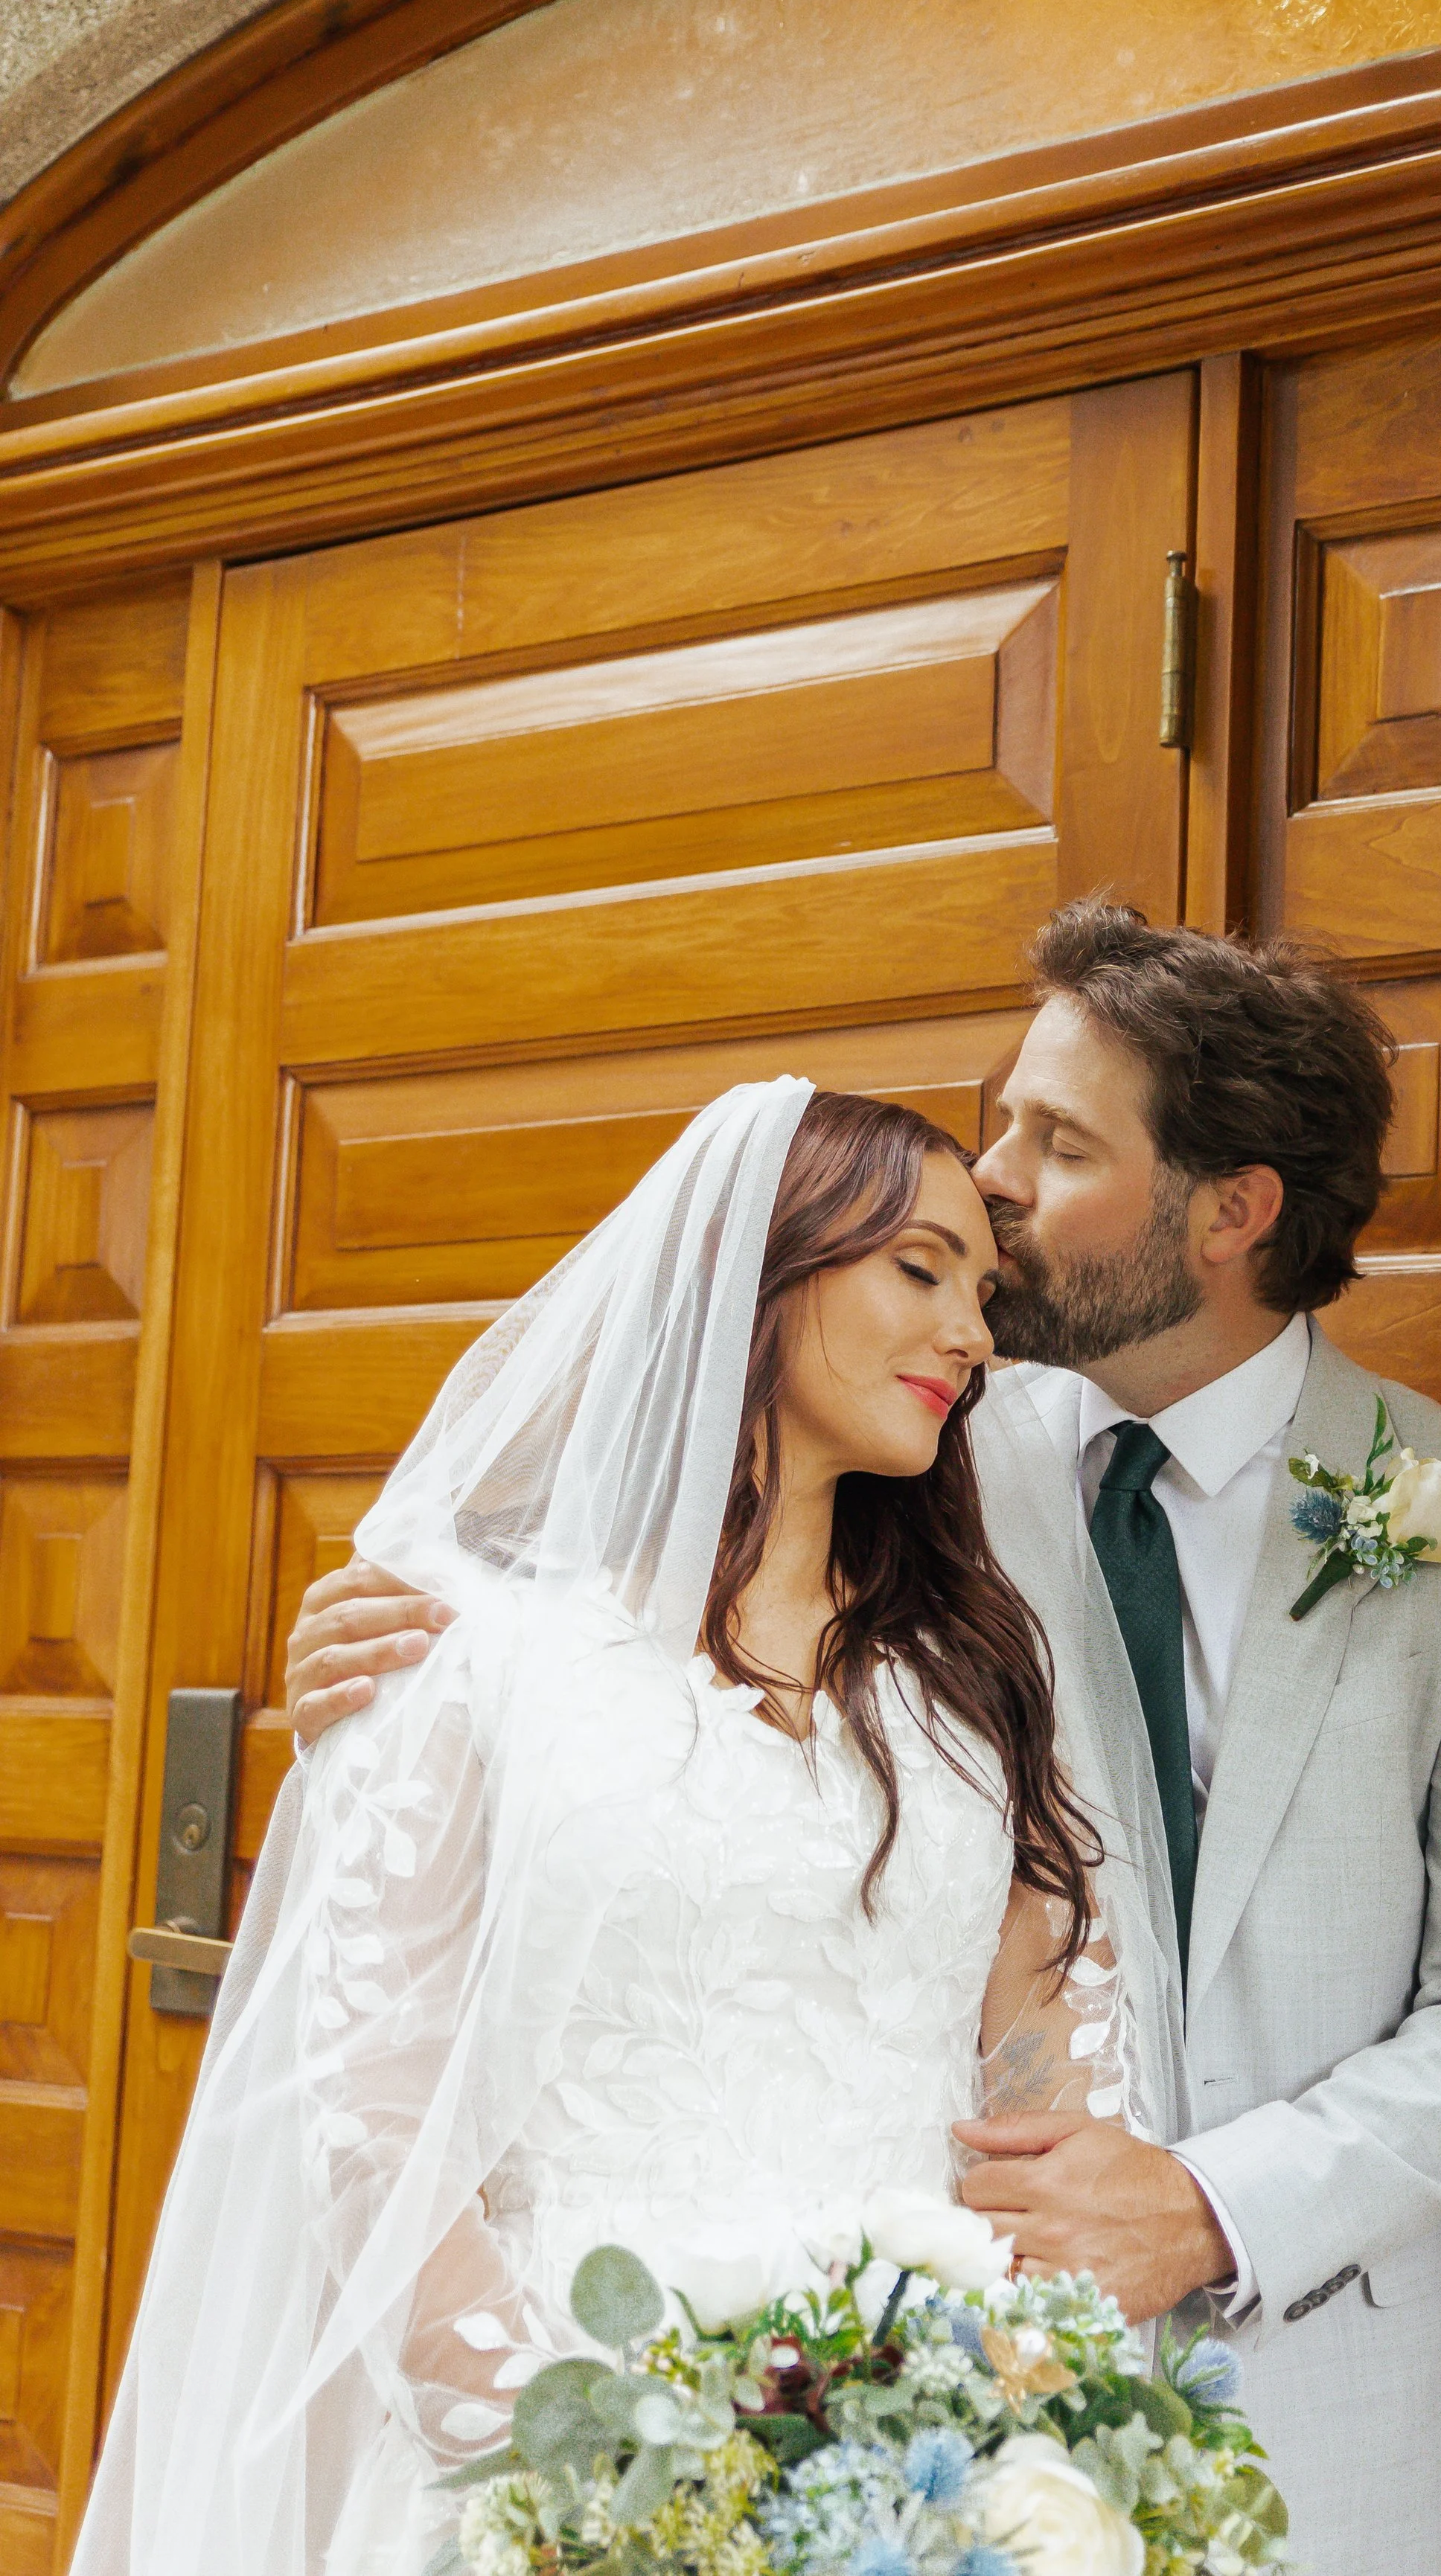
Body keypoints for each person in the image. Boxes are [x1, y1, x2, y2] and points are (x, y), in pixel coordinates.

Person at [285, 903, 1441, 2576]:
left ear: (1230, 1211)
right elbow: (619, 1601)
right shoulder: (921, 1426)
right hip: (836, 2418)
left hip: (1323, 2404)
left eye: (1054, 1145)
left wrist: (1213, 2206)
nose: (990, 1180)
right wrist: (391, 1674)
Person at [74, 1083, 1174, 2576]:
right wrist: (583, 2476)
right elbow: (377, 2129)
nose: (974, 1337)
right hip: (567, 2466)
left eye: (981, 1293)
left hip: (918, 2481)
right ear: (759, 1271)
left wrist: (1023, 2420)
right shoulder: (481, 1662)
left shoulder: (964, 1695)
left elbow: (1051, 2087)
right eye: (917, 1271)